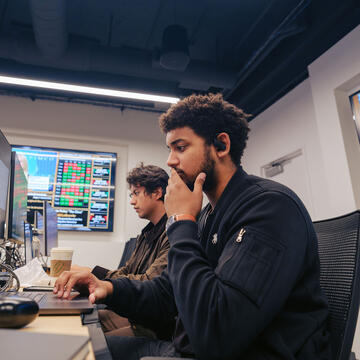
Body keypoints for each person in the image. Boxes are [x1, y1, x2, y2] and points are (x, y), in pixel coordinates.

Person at [55, 94, 331, 359]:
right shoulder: (211, 214)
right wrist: (108, 288)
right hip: (186, 349)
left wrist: (181, 221)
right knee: (73, 348)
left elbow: (217, 332)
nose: (170, 161)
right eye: (170, 149)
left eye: (181, 147)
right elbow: (167, 293)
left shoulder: (269, 208)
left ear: (221, 146)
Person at [72, 163, 172, 339]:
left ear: (157, 193)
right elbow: (127, 272)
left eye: (136, 193)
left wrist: (95, 276)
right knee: (77, 322)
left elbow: (149, 282)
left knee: (89, 340)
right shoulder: (147, 232)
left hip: (153, 326)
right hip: (136, 315)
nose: (132, 201)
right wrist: (93, 275)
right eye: (131, 194)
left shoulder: (171, 233)